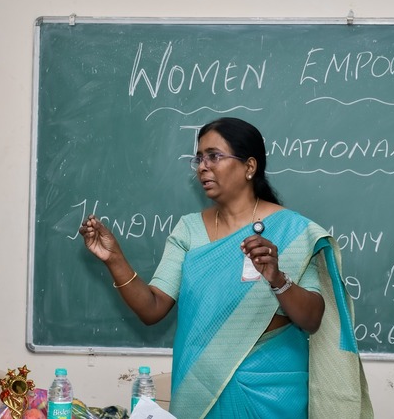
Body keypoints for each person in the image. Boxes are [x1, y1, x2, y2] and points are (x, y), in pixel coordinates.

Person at [79, 117, 373, 418]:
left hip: (273, 394)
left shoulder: (294, 231)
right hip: (202, 391)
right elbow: (152, 308)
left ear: (249, 166)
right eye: (199, 158)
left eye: (214, 156)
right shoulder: (189, 230)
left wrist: (276, 277)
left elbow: (312, 318)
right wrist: (114, 259)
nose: (202, 167)